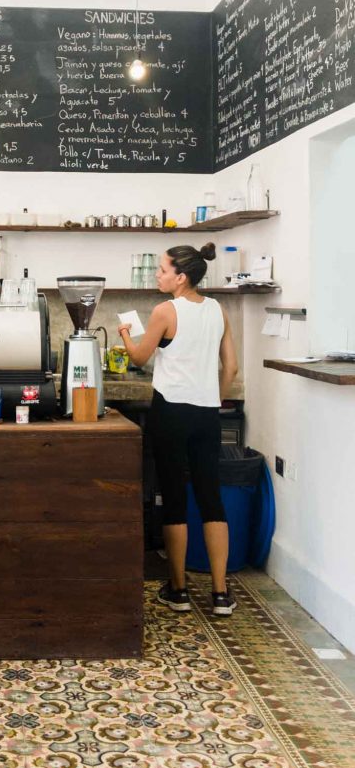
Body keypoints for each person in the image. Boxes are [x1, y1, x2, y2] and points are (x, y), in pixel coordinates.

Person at [117, 242, 239, 617]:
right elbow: (230, 369)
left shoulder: (164, 311)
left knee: (173, 498)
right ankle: (220, 594)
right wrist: (212, 399)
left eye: (163, 269)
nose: (158, 275)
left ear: (181, 277)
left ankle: (180, 590)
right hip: (206, 413)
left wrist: (123, 333)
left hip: (171, 411)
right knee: (211, 498)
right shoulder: (219, 310)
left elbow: (139, 357)